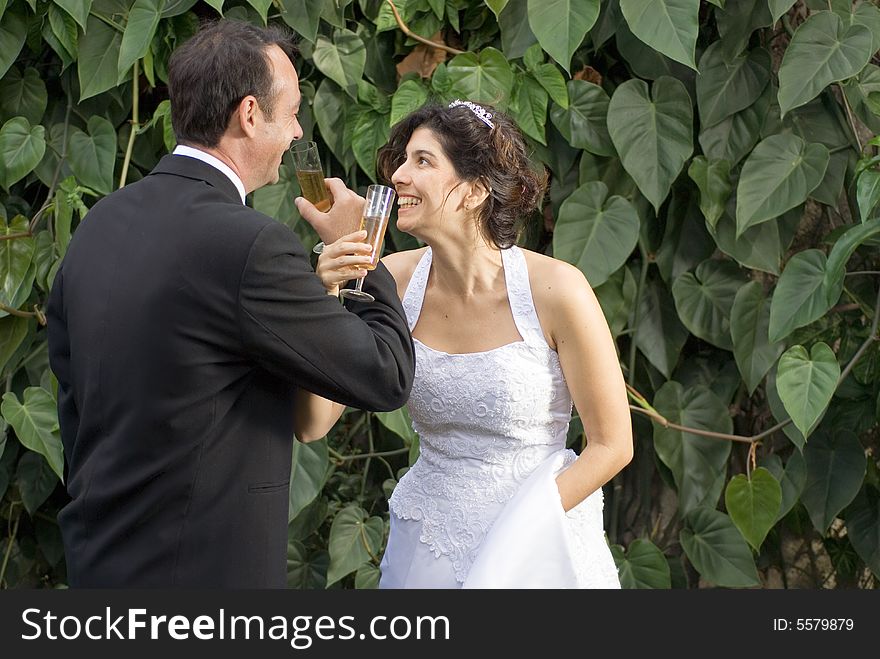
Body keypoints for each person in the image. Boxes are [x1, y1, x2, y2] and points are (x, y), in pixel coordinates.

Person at [45, 20, 415, 588]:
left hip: (98, 566)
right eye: (291, 113)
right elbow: (385, 375)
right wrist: (361, 248)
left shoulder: (101, 223)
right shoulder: (250, 246)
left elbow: (73, 392)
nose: (297, 134)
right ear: (249, 114)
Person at [297, 100, 633, 588]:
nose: (399, 177)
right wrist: (328, 293)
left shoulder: (558, 290)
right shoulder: (390, 281)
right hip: (430, 547)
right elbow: (312, 424)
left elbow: (612, 445)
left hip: (539, 546)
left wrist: (523, 529)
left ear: (475, 191)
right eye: (404, 160)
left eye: (424, 161)